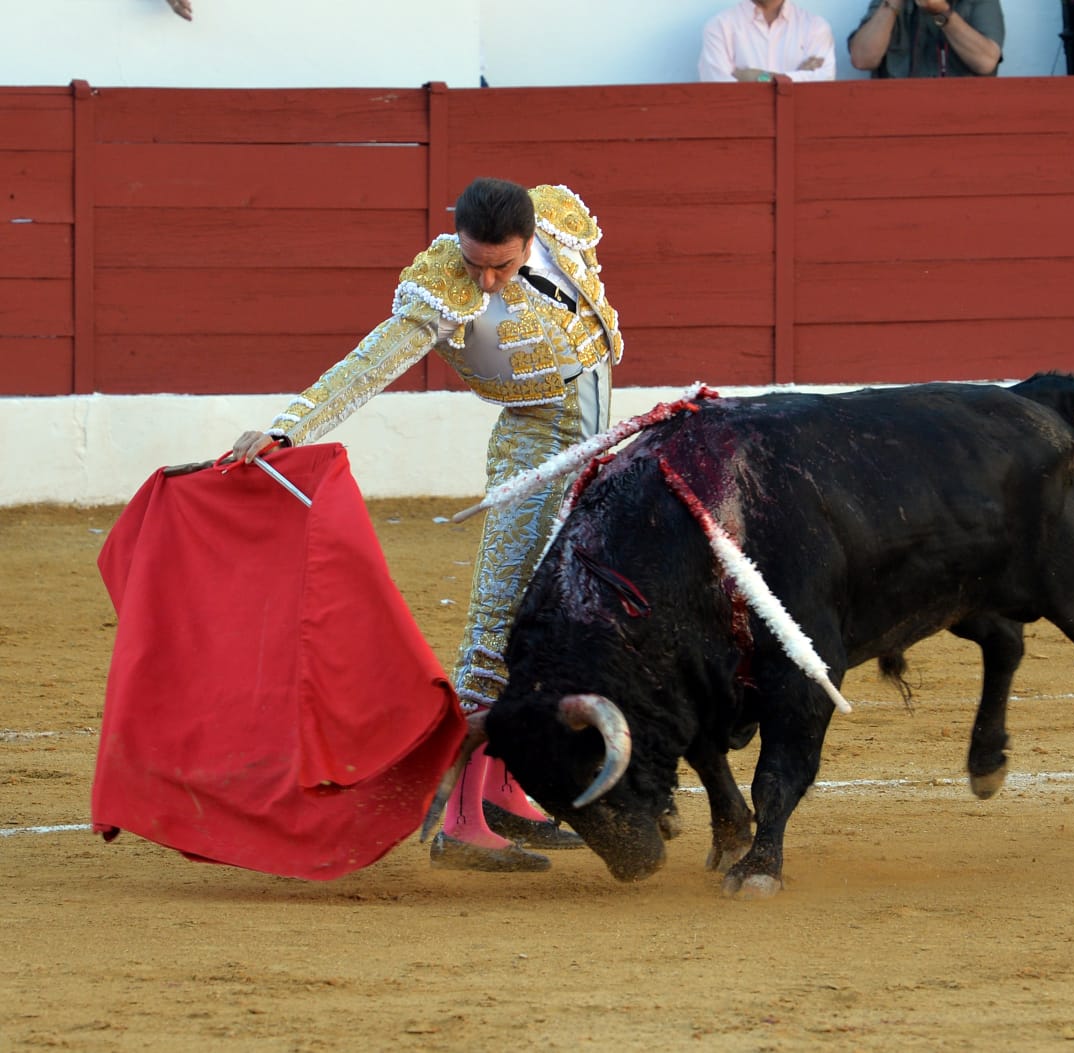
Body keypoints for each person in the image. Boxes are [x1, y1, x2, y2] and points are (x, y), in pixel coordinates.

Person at [230, 178, 623, 872]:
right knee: (498, 628)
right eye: (475, 263)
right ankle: (462, 823)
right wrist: (288, 429)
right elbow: (369, 362)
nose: (487, 279)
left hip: (593, 447)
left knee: (548, 620)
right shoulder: (441, 287)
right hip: (536, 453)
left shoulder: (560, 222)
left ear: (531, 238)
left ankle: (505, 793)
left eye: (502, 265)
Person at [847, 0, 1004, 78]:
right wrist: (892, 4)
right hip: (896, 113)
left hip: (963, 112)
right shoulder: (887, 3)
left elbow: (986, 62)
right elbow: (862, 60)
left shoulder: (979, 2)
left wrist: (941, 13)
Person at [699, 0, 836, 83]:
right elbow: (719, 88)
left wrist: (759, 77)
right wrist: (797, 77)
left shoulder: (815, 27)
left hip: (800, 120)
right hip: (741, 121)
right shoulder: (719, 27)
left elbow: (823, 81)